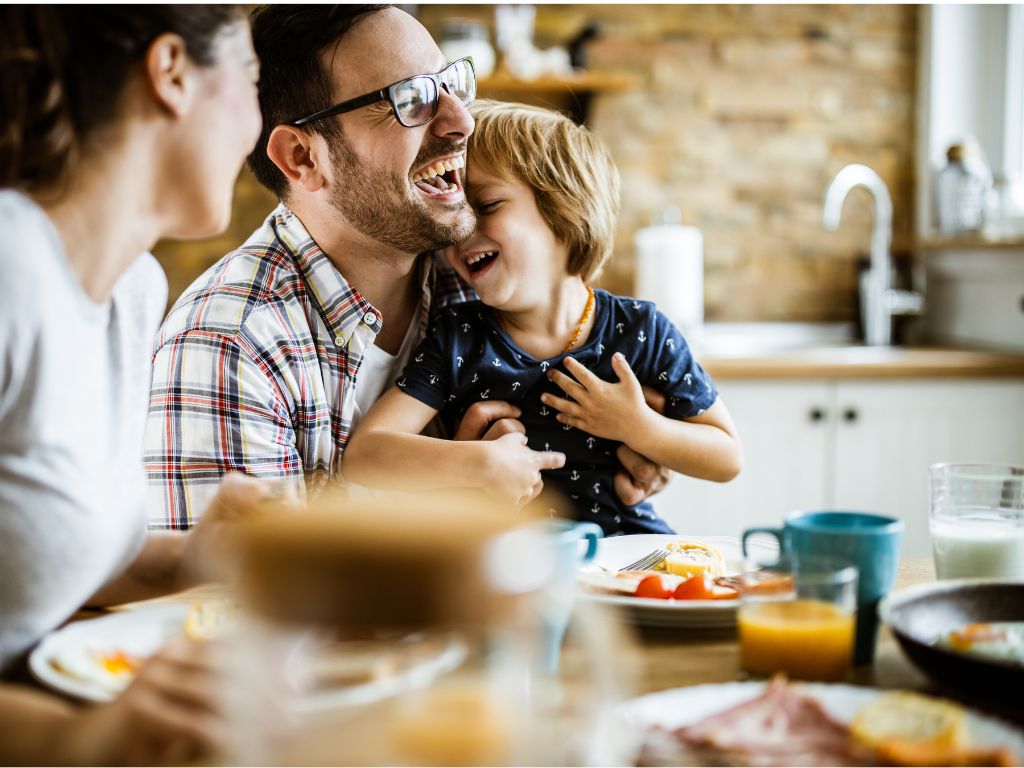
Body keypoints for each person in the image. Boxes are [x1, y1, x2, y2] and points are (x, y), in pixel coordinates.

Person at [144, 5, 670, 530]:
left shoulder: (478, 280)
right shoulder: (230, 345)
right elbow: (243, 605)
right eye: (410, 99)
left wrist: (636, 441)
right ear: (302, 157)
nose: (462, 121)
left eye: (452, 83)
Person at [0, 6, 269, 763]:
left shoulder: (132, 292)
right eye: (251, 80)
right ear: (172, 73)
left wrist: (188, 558)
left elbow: (28, 540)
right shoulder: (10, 269)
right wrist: (84, 738)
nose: (256, 126)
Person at [342, 101, 743, 535]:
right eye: (453, 207)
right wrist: (476, 463)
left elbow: (726, 457)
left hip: (624, 556)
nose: (459, 227)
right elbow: (366, 455)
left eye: (488, 204)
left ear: (565, 211)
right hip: (502, 564)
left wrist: (639, 426)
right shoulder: (458, 337)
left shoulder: (641, 331)